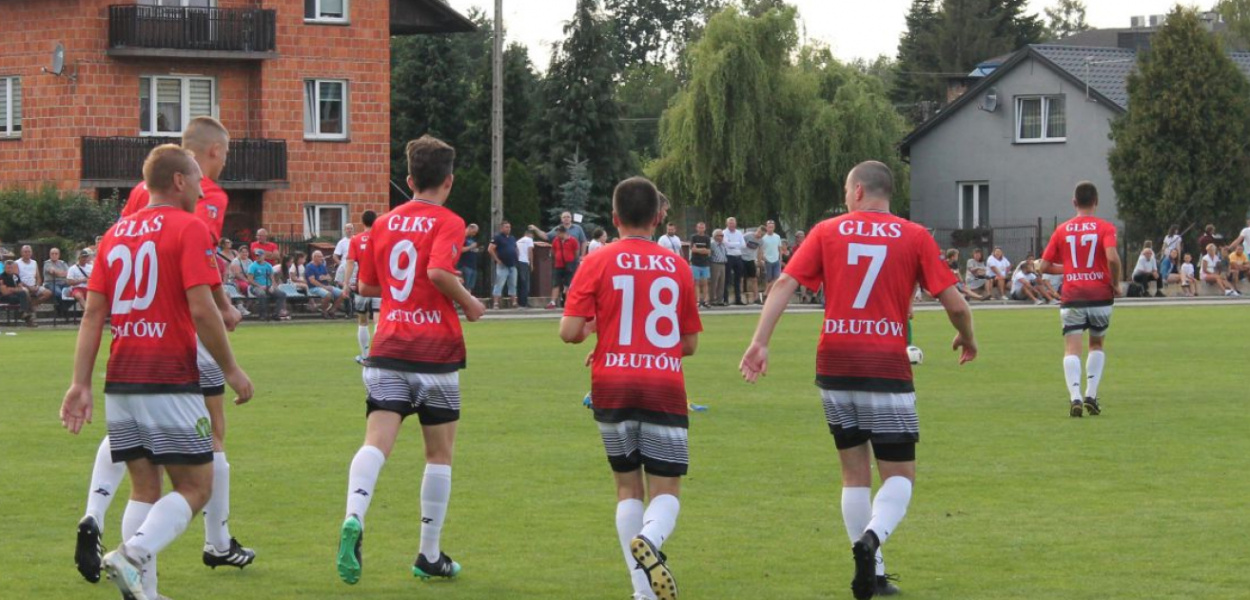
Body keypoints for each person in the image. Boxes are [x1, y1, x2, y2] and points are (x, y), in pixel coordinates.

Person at [739, 161, 976, 600]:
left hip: (834, 361)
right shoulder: (915, 235)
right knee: (900, 475)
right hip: (885, 362)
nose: (846, 198)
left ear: (861, 191)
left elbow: (784, 283)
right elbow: (956, 304)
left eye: (848, 190)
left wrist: (760, 342)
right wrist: (966, 335)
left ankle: (875, 571)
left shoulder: (828, 231)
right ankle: (872, 543)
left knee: (853, 474)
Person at [60, 145, 254, 600]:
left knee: (145, 487)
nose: (202, 191)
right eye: (197, 182)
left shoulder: (114, 234)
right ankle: (132, 553)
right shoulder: (189, 227)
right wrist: (231, 368)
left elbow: (92, 316)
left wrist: (80, 383)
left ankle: (143, 593)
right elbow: (203, 308)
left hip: (120, 377)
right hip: (167, 374)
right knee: (196, 486)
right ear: (180, 181)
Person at [337, 135, 486, 586]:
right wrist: (469, 302)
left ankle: (354, 515)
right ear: (449, 181)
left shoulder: (381, 224)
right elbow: (439, 271)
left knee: (375, 441)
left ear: (408, 179)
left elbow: (366, 288)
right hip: (434, 350)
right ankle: (428, 554)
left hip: (388, 346)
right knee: (438, 454)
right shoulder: (450, 221)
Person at [560, 176, 702, 600]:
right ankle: (653, 541)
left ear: (614, 217)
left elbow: (569, 332)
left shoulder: (598, 260)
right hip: (662, 383)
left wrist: (601, 333)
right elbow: (690, 343)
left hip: (612, 382)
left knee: (627, 488)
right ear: (659, 217)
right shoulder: (676, 265)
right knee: (667, 491)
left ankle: (642, 593)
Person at [1038, 181, 1123, 418]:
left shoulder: (1062, 230)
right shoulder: (1105, 227)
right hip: (1100, 295)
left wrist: (1071, 269)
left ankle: (1074, 396)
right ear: (1096, 202)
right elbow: (1113, 259)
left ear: (1074, 202)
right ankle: (1091, 395)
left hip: (1073, 295)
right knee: (1096, 345)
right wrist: (1115, 283)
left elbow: (1044, 266)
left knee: (1071, 350)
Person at [342, 211, 380, 363]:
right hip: (380, 285)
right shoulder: (382, 237)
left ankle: (365, 356)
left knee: (362, 320)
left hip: (362, 284)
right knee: (379, 319)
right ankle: (378, 356)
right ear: (376, 221)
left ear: (362, 222)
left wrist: (345, 284)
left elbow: (350, 263)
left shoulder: (356, 240)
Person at [247, 248, 288, 320]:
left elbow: (272, 278)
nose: (258, 257)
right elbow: (250, 280)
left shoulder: (268, 266)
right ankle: (263, 315)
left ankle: (276, 314)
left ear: (264, 256)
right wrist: (260, 286)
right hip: (256, 287)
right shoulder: (252, 266)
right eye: (256, 256)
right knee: (262, 294)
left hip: (268, 286)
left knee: (281, 294)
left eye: (259, 255)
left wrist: (273, 286)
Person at [487, 221, 520, 309]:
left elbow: (515, 248)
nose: (508, 228)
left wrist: (517, 256)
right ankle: (496, 303)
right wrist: (497, 259)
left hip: (512, 264)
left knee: (513, 284)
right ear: (501, 228)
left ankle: (514, 302)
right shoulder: (497, 237)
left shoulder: (512, 238)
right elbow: (490, 249)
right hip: (503, 265)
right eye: (506, 227)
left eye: (509, 227)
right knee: (499, 283)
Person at [547, 226, 580, 309]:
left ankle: (567, 302)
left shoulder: (573, 240)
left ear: (564, 233)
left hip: (569, 264)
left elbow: (576, 252)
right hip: (558, 265)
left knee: (568, 284)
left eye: (558, 233)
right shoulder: (556, 240)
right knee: (556, 283)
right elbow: (553, 251)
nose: (557, 234)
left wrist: (572, 261)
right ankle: (553, 302)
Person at [307, 250, 346, 316]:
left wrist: (324, 278)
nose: (322, 258)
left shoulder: (322, 266)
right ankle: (324, 311)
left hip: (325, 286)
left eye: (322, 256)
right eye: (320, 257)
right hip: (314, 288)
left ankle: (332, 310)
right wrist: (324, 286)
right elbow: (312, 281)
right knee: (328, 295)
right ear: (314, 257)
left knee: (343, 293)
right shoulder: (309, 267)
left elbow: (329, 277)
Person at [16, 245, 53, 311]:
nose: (27, 253)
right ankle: (29, 310)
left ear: (31, 253)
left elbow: (38, 277)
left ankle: (32, 304)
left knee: (48, 293)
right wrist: (29, 287)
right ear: (21, 253)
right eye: (25, 252)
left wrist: (37, 286)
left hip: (34, 286)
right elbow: (17, 279)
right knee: (25, 292)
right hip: (22, 286)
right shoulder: (17, 263)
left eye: (29, 252)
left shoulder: (34, 263)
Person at [1, 260, 36, 326]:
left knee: (23, 293)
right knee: (23, 298)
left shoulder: (16, 276)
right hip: (5, 297)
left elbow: (20, 288)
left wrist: (10, 289)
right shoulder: (1, 277)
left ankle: (23, 312)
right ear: (4, 268)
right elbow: (5, 292)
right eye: (8, 268)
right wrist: (15, 289)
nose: (9, 269)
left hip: (15, 296)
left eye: (11, 268)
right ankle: (27, 315)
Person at [759, 220, 783, 301]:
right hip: (767, 260)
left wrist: (780, 258)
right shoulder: (763, 238)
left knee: (776, 277)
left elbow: (779, 249)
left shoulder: (777, 237)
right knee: (768, 279)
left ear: (774, 228)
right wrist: (762, 258)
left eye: (772, 227)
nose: (770, 228)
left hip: (776, 259)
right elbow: (761, 250)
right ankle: (768, 296)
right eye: (769, 227)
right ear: (766, 228)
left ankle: (766, 293)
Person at [689, 222, 712, 308]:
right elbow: (693, 249)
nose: (701, 229)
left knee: (705, 282)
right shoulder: (693, 237)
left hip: (705, 263)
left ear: (705, 228)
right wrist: (702, 249)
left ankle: (705, 300)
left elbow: (708, 251)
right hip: (695, 263)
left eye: (702, 227)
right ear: (697, 228)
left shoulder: (707, 238)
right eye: (699, 227)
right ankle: (697, 300)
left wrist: (699, 249)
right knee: (696, 282)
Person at [723, 217, 745, 305]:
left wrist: (733, 244)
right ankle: (725, 299)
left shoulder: (739, 233)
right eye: (730, 223)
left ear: (735, 224)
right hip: (729, 256)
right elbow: (726, 244)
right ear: (727, 224)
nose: (732, 225)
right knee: (727, 279)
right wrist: (737, 244)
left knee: (738, 279)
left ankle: (738, 299)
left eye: (733, 223)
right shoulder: (724, 233)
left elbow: (743, 245)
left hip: (738, 256)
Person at [741, 226, 762, 304]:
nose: (759, 235)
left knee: (754, 279)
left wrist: (759, 263)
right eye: (759, 232)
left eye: (761, 234)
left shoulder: (761, 241)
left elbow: (760, 251)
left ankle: (756, 298)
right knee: (741, 278)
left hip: (751, 259)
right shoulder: (748, 235)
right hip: (742, 258)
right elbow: (740, 242)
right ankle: (740, 297)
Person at [457, 224, 481, 294]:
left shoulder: (471, 239)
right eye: (474, 232)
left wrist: (476, 249)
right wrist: (471, 246)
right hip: (465, 265)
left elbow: (470, 249)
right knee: (464, 285)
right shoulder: (462, 237)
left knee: (470, 286)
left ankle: (468, 300)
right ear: (470, 228)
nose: (474, 234)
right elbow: (460, 249)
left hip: (473, 265)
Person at [517, 230, 535, 309]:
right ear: (529, 234)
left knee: (521, 283)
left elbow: (516, 251)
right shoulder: (529, 240)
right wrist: (531, 263)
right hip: (525, 262)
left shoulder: (518, 241)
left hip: (518, 262)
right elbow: (530, 251)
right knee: (526, 283)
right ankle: (524, 302)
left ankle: (520, 302)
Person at [709, 229, 728, 307]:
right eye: (720, 235)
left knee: (721, 283)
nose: (721, 237)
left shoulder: (723, 244)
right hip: (715, 264)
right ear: (715, 236)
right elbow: (710, 254)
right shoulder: (712, 244)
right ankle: (712, 299)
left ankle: (720, 300)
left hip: (723, 264)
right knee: (714, 282)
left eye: (722, 235)